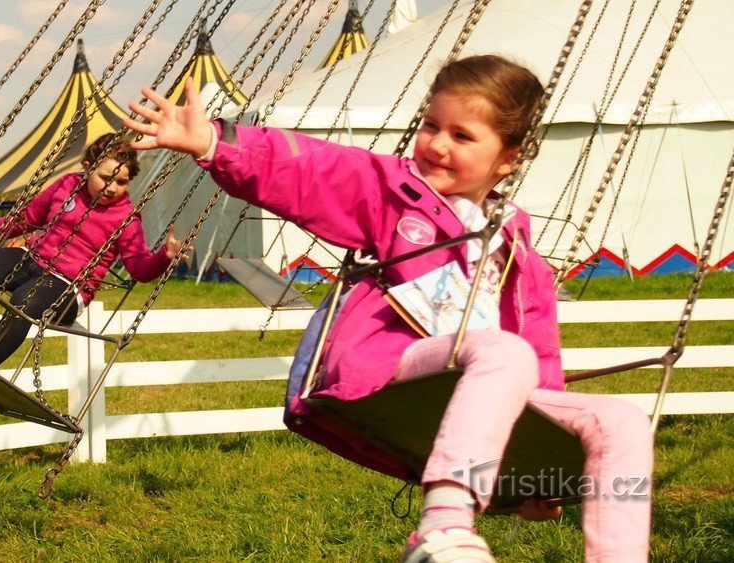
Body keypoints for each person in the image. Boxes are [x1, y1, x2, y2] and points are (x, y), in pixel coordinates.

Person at [125, 57, 653, 562]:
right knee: (505, 353)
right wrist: (216, 142)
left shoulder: (519, 254)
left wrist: (537, 472)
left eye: (462, 136)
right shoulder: (396, 193)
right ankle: (444, 523)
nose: (437, 145)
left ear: (509, 157)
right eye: (431, 125)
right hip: (394, 366)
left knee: (623, 419)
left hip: (484, 375)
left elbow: (541, 356)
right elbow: (312, 171)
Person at [0, 134, 185, 405]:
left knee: (24, 301)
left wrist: (164, 257)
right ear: (87, 167)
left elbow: (139, 268)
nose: (112, 188)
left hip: (69, 287)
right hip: (33, 256)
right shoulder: (68, 185)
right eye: (105, 177)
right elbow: (27, 218)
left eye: (121, 182)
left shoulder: (127, 218)